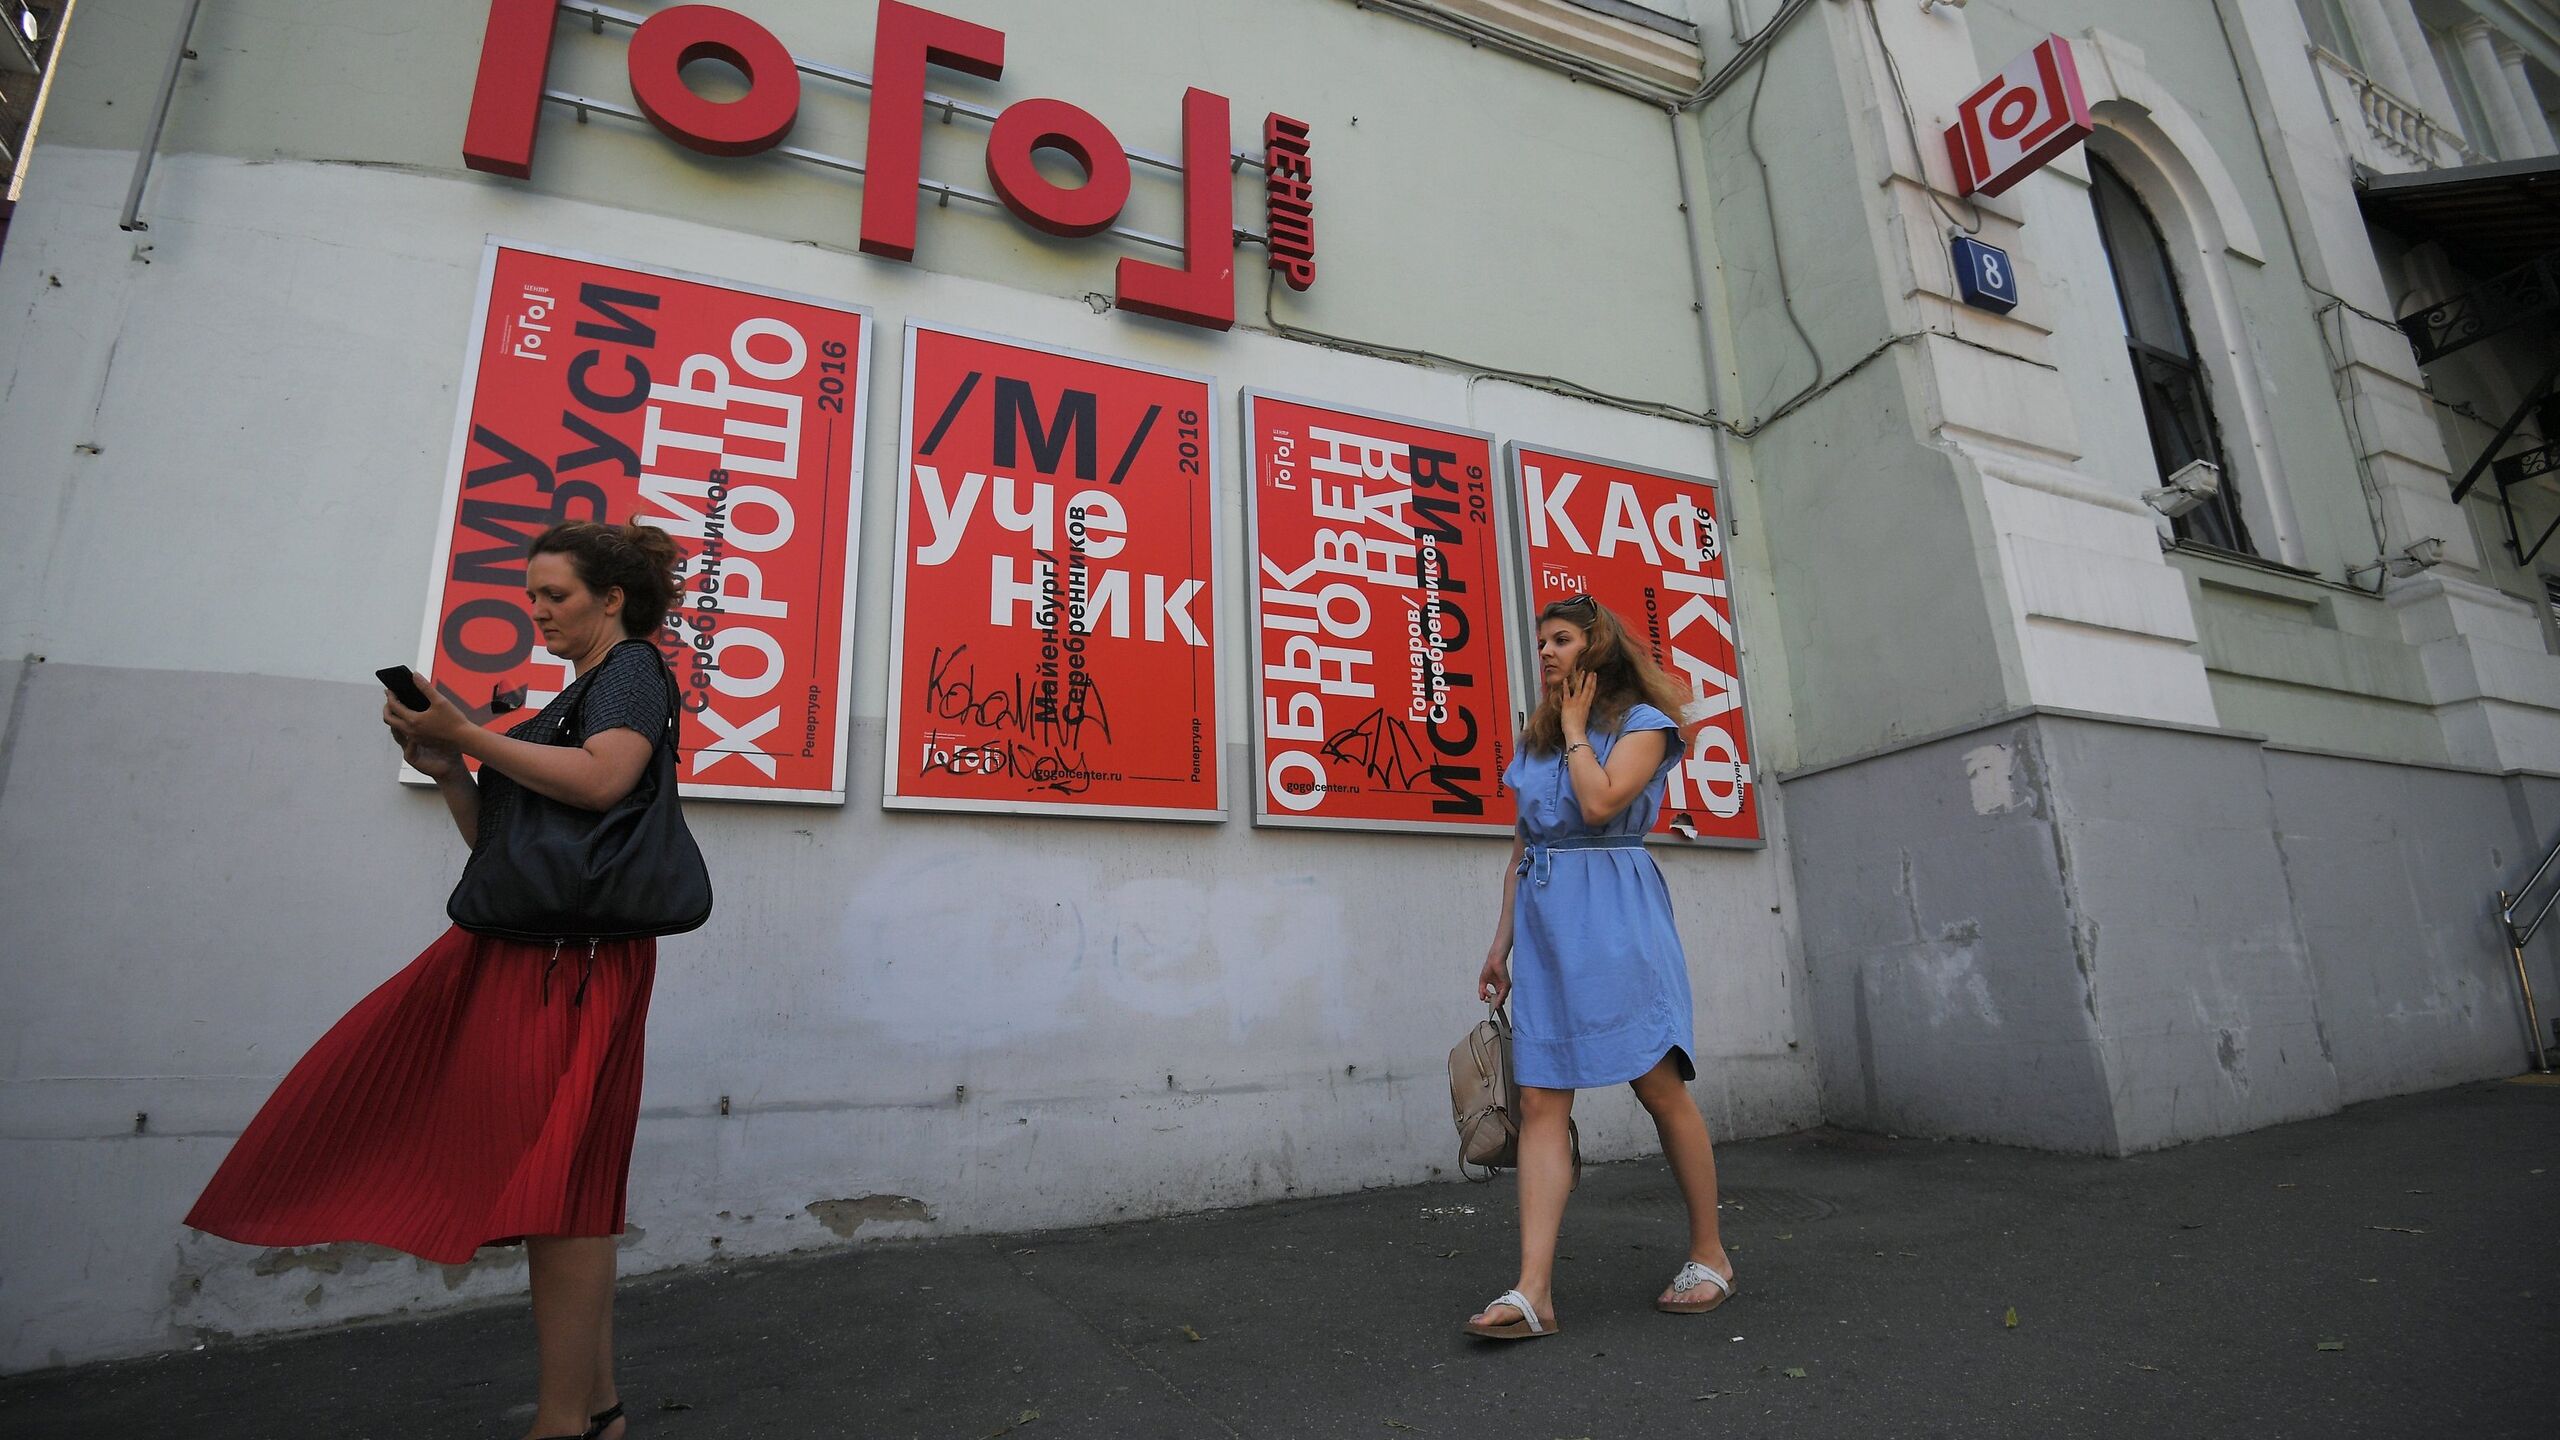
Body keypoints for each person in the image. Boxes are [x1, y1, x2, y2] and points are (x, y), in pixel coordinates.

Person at [186, 520, 691, 1440]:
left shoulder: (631, 672)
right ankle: (596, 1411)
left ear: (612, 600)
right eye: (532, 594)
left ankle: (563, 1423)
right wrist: (452, 766)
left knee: (563, 1186)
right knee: (558, 1184)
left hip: (570, 965)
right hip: (529, 946)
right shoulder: (586, 686)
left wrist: (469, 731)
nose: (537, 610)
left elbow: (602, 782)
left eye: (556, 595)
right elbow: (509, 854)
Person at [1464, 593, 1735, 1340]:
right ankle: (1534, 1291)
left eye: (1560, 639)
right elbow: (1525, 844)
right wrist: (1501, 942)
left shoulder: (1644, 726)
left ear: (1597, 644)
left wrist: (1579, 730)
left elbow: (1599, 803)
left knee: (1657, 1083)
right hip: (1549, 922)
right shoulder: (1538, 735)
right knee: (1544, 1101)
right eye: (1540, 641)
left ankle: (1710, 1255)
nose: (1545, 652)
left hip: (1616, 914)